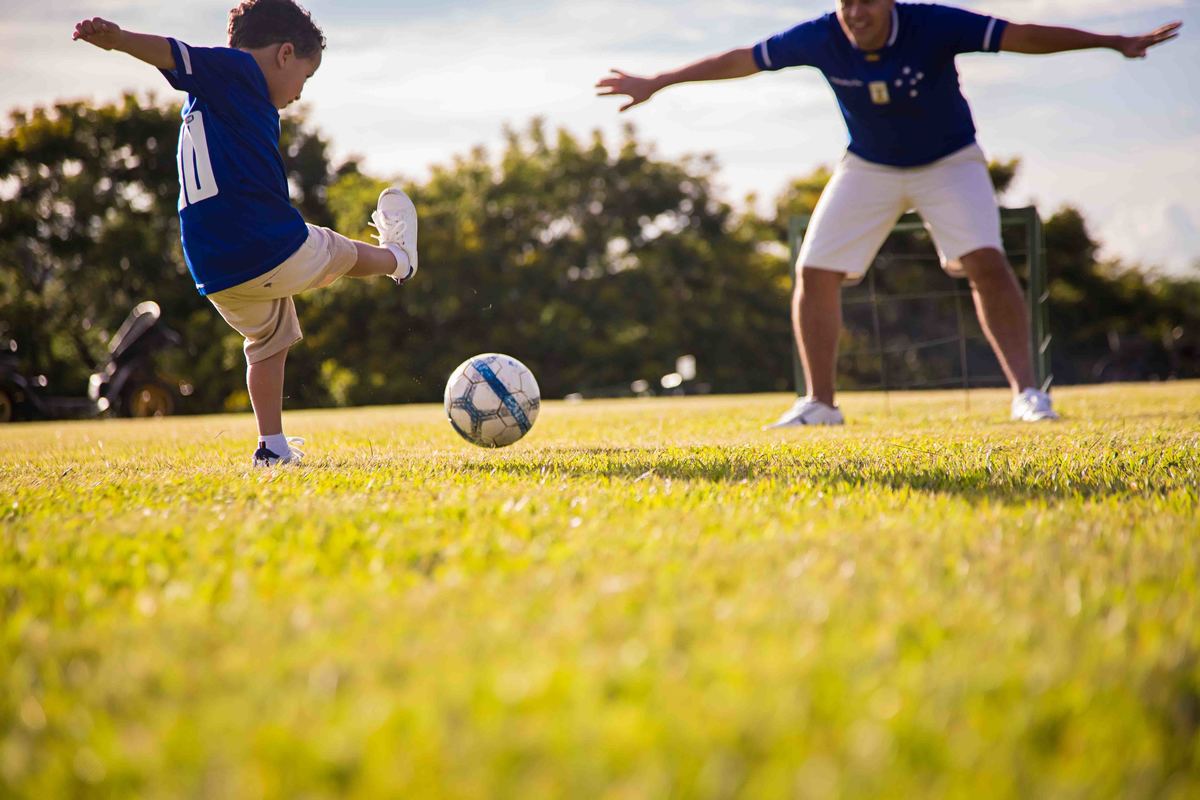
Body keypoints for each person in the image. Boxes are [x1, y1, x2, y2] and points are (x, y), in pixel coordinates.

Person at [597, 1, 1181, 426]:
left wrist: (1110, 41)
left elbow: (1022, 35)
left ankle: (1029, 395)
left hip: (950, 160)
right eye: (846, 2)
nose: (856, 12)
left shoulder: (932, 24)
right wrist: (660, 81)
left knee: (985, 260)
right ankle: (821, 405)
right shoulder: (820, 36)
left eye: (867, 1)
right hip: (869, 165)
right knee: (814, 271)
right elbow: (741, 60)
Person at [73, 0, 420, 464]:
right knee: (337, 250)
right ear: (284, 53)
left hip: (215, 267)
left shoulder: (209, 100)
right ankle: (401, 260)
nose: (300, 91)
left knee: (269, 339)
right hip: (265, 243)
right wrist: (119, 41)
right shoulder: (236, 71)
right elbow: (173, 53)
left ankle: (271, 447)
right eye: (305, 75)